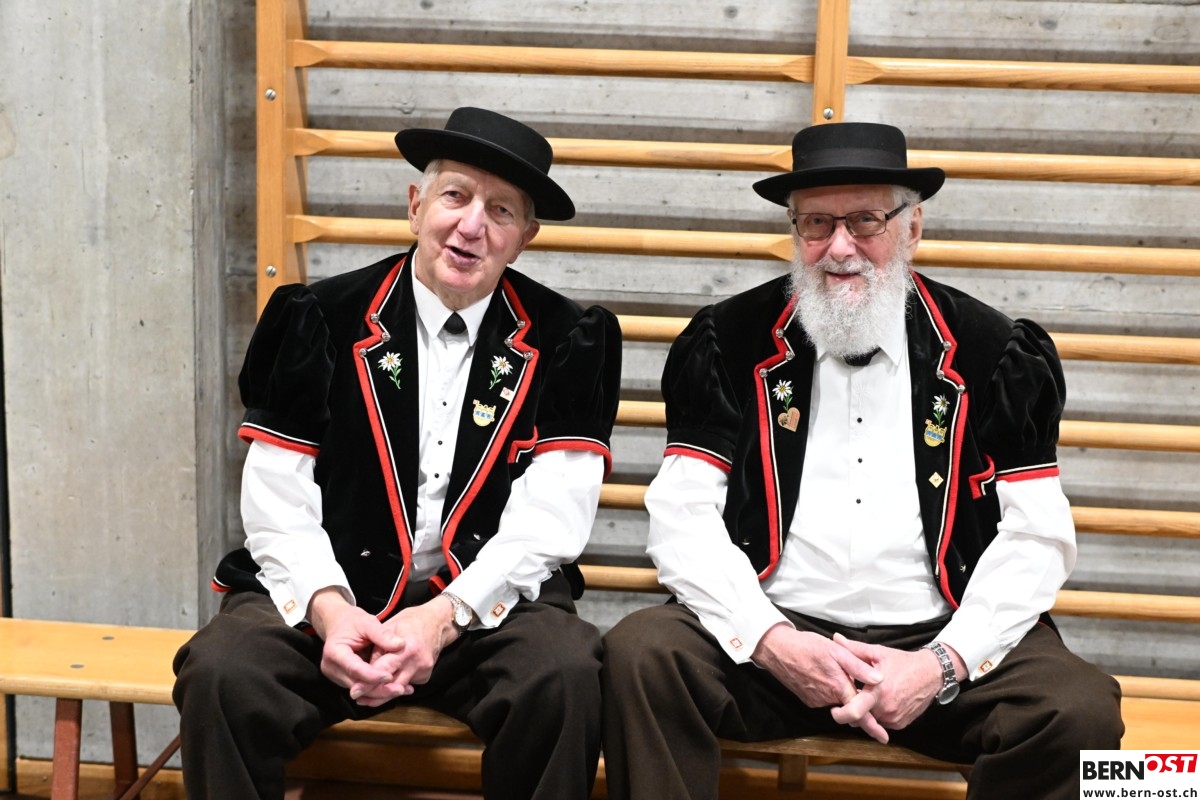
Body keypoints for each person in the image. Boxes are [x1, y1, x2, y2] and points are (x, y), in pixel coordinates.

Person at [601, 121, 1122, 800]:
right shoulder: (727, 341)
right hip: (775, 638)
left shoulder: (993, 352)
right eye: (816, 223)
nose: (839, 247)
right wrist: (771, 640)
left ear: (913, 228)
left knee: (1078, 711)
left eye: (866, 221)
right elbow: (683, 517)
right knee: (643, 656)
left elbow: (1036, 537)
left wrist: (940, 664)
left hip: (939, 641)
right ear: (794, 231)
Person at [173, 106, 622, 800]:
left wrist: (442, 618)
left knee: (563, 672)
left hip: (478, 610)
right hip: (334, 595)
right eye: (455, 196)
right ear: (415, 206)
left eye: (501, 210)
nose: (472, 225)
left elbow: (550, 521)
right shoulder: (319, 318)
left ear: (524, 237)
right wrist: (330, 612)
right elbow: (276, 500)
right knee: (223, 670)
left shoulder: (568, 340)